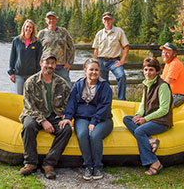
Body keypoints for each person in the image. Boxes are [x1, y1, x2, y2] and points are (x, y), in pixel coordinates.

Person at [19, 51, 72, 180]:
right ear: (41, 63)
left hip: (54, 116)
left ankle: (49, 164)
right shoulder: (30, 82)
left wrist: (67, 115)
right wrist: (42, 121)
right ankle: (30, 162)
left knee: (66, 130)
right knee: (28, 126)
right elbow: (28, 106)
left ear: (55, 65)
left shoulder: (62, 83)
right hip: (34, 114)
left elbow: (69, 102)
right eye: (47, 62)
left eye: (52, 63)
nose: (49, 65)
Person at [59, 58, 113, 180]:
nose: (94, 72)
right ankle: (88, 165)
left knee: (94, 135)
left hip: (103, 119)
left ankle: (98, 166)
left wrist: (94, 121)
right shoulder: (78, 85)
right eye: (91, 69)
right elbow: (71, 103)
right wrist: (68, 117)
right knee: (83, 134)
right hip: (82, 118)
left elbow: (105, 106)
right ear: (85, 70)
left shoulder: (104, 86)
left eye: (96, 70)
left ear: (99, 71)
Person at [123, 57, 173, 176]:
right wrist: (139, 115)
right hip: (150, 119)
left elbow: (164, 109)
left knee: (139, 131)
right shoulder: (147, 84)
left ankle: (154, 162)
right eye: (145, 70)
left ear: (157, 72)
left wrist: (145, 119)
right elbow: (142, 103)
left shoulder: (163, 86)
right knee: (127, 119)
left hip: (161, 121)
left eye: (151, 70)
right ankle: (151, 140)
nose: (147, 73)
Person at [92, 12, 129, 100]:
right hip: (101, 61)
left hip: (114, 61)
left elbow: (126, 47)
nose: (107, 21)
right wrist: (94, 63)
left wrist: (122, 61)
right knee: (103, 83)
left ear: (112, 20)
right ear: (102, 21)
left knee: (121, 76)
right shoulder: (99, 33)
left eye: (109, 19)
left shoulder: (119, 31)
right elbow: (96, 49)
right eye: (105, 19)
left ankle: (121, 99)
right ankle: (106, 100)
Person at [38, 11, 75, 87]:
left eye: (53, 18)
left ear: (56, 20)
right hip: (46, 67)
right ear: (46, 20)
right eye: (49, 19)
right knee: (46, 88)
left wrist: (69, 62)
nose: (51, 20)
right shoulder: (42, 33)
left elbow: (71, 47)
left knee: (67, 87)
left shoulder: (63, 32)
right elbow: (37, 50)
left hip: (61, 67)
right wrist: (39, 63)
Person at [8, 19, 42, 95]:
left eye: (30, 27)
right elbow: (12, 57)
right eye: (27, 27)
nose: (28, 29)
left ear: (33, 30)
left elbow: (39, 59)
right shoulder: (16, 40)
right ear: (23, 27)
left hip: (31, 75)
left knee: (30, 97)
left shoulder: (37, 42)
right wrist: (11, 72)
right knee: (19, 96)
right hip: (18, 74)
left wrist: (38, 74)